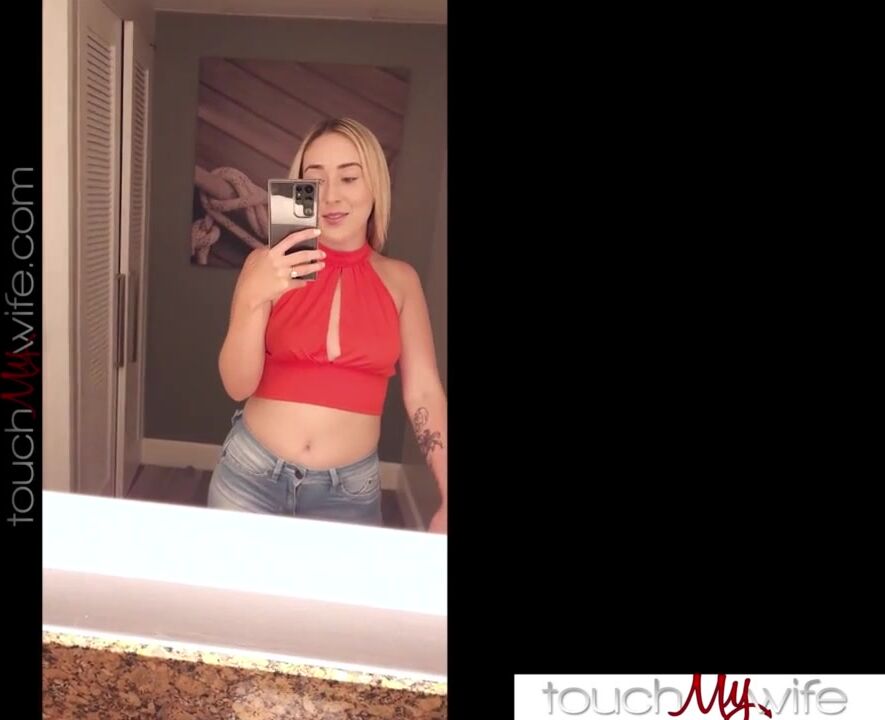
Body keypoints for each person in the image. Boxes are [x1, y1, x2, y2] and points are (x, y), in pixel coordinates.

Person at [207, 117, 447, 533]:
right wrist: (251, 298)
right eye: (316, 180)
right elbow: (237, 386)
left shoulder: (401, 281)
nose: (331, 196)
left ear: (375, 186)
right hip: (250, 477)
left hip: (348, 495)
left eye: (349, 178)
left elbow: (424, 390)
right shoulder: (265, 266)